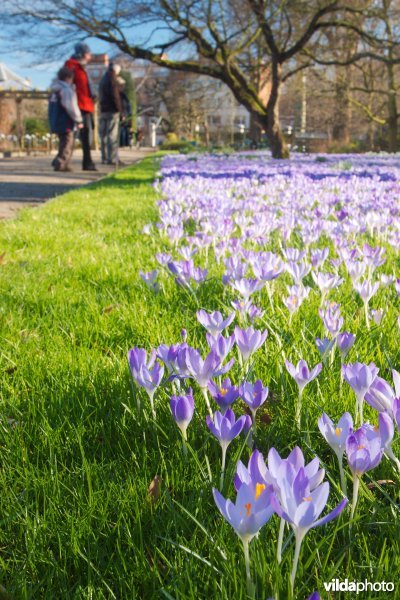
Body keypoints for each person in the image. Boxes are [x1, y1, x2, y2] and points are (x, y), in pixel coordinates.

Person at [65, 42, 97, 171]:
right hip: (77, 105)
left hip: (86, 105)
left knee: (86, 135)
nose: (90, 57)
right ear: (82, 54)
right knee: (73, 134)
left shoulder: (82, 67)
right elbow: (67, 86)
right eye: (88, 54)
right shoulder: (71, 66)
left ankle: (87, 161)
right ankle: (63, 161)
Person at [48, 67, 83, 172]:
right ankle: (61, 163)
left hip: (56, 120)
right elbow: (71, 106)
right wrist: (79, 119)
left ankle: (57, 160)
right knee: (68, 143)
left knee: (63, 142)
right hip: (65, 121)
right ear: (68, 78)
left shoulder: (55, 90)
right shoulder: (66, 90)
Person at [99, 64, 124, 165]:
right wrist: (120, 109)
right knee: (112, 135)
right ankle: (112, 158)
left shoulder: (103, 80)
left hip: (103, 110)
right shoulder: (112, 80)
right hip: (112, 110)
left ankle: (104, 158)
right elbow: (115, 96)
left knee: (104, 135)